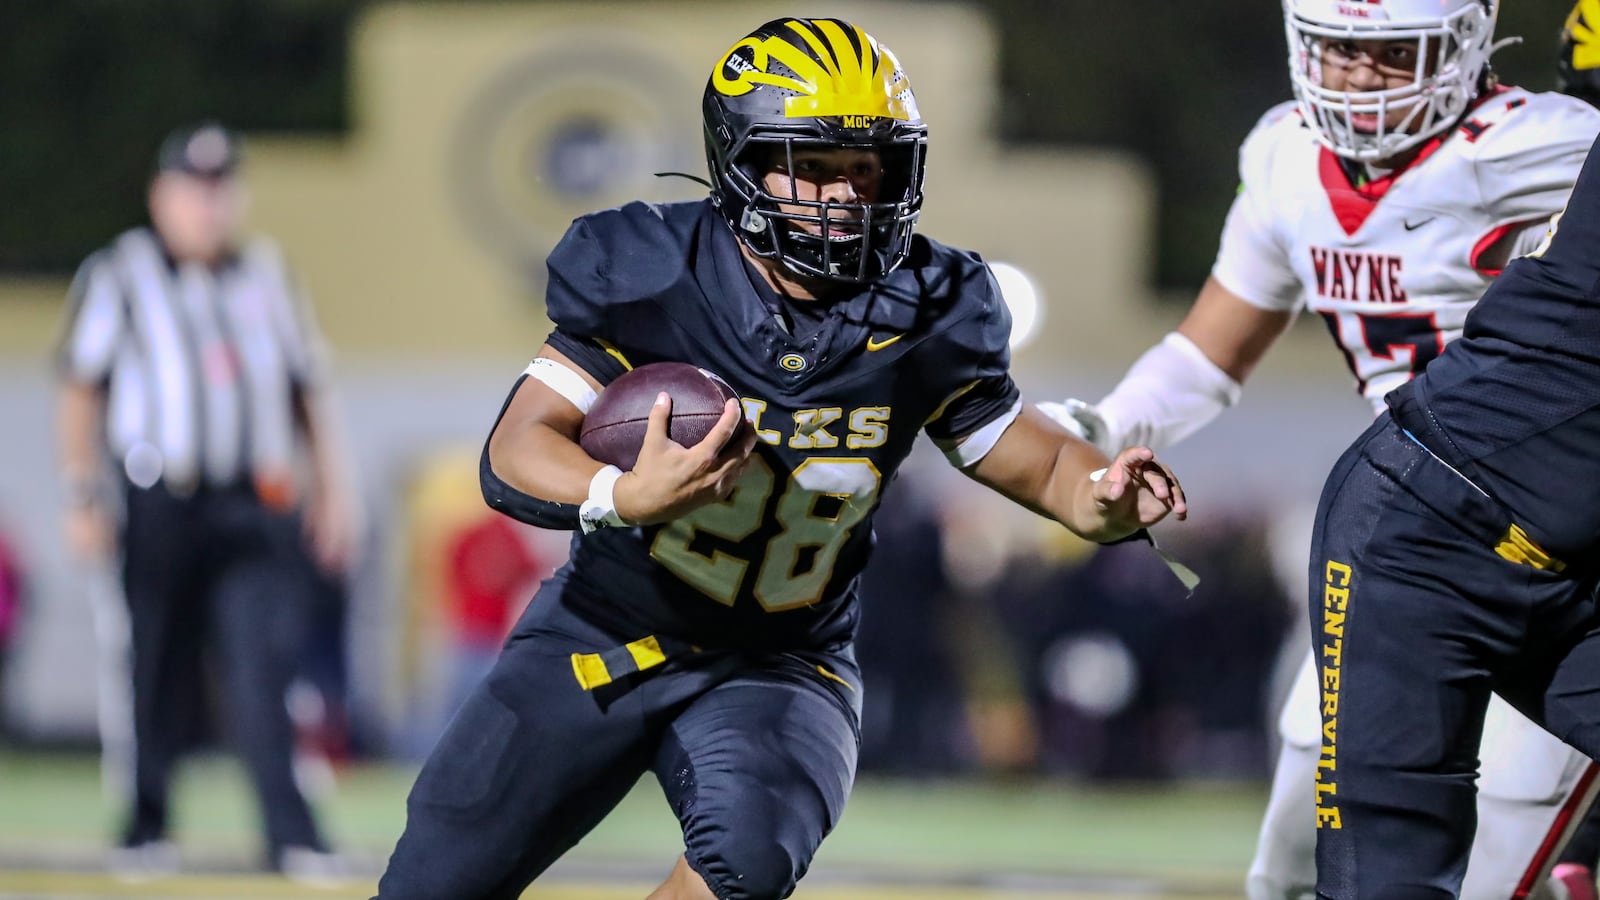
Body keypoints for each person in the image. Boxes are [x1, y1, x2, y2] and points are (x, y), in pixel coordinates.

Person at [373, 17, 1187, 900]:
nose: (843, 197)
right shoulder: (653, 273)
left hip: (782, 660)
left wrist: (1101, 503)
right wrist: (621, 492)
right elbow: (516, 449)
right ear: (744, 165)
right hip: (603, 633)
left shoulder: (930, 309)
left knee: (747, 865)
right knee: (431, 884)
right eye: (815, 168)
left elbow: (1039, 465)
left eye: (865, 169)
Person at [1040, 1, 1600, 897]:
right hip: (1409, 531)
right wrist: (1106, 425)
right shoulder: (1283, 154)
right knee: (1297, 852)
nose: (1357, 76)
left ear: (1464, 46)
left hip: (1548, 539)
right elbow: (1209, 350)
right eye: (1338, 48)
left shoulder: (1551, 141)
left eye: (1390, 53)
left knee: (1507, 849)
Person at [54, 122, 360, 877]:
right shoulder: (120, 272)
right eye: (195, 190)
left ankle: (290, 832)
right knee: (153, 663)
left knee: (265, 664)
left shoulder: (267, 274)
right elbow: (80, 389)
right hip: (162, 498)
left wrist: (334, 491)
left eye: (222, 189)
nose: (209, 207)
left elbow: (307, 389)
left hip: (255, 502)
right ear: (162, 195)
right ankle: (145, 822)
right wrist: (83, 491)